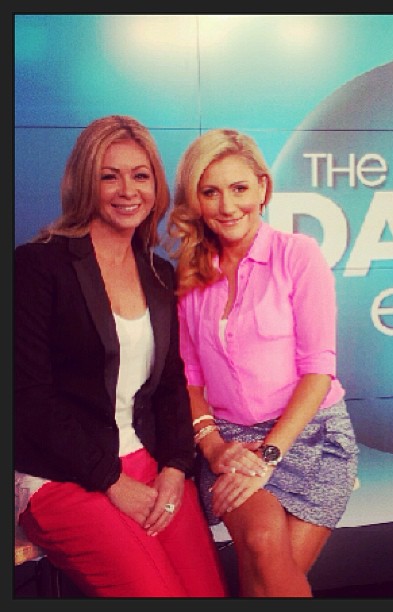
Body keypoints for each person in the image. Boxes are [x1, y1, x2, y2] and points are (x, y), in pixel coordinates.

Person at [14, 115, 229, 598]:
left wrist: (175, 468)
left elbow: (170, 385)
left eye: (140, 175)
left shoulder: (159, 272)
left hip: (146, 460)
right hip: (62, 473)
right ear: (83, 183)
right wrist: (111, 480)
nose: (128, 191)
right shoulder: (36, 266)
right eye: (109, 176)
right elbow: (28, 401)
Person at [166, 128, 359, 598]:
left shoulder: (298, 255)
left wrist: (271, 455)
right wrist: (214, 448)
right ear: (195, 201)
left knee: (265, 583)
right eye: (210, 192)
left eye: (239, 188)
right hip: (233, 441)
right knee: (261, 538)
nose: (227, 206)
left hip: (313, 437)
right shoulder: (191, 275)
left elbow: (319, 371)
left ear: (263, 189)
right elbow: (190, 379)